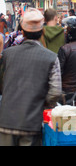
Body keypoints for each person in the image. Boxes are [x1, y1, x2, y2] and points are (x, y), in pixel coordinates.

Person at [0, 8, 62, 146]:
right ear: (42, 32)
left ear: (22, 31)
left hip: (6, 121)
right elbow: (55, 92)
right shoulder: (51, 58)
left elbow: (2, 84)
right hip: (31, 123)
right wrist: (40, 104)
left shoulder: (7, 54)